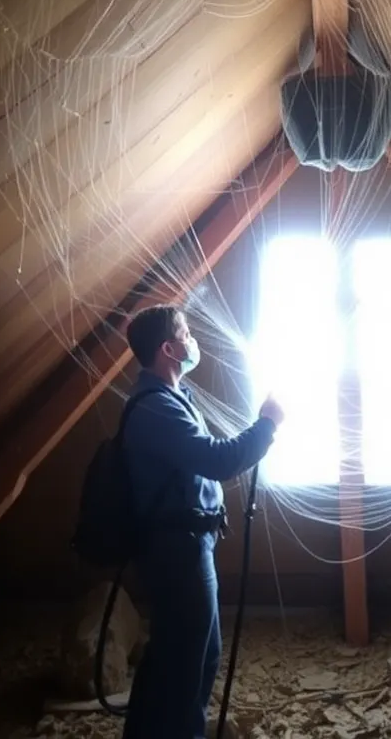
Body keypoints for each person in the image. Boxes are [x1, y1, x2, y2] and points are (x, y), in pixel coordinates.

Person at [119, 304, 284, 739]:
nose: (194, 342)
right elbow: (218, 459)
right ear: (170, 349)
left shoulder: (174, 400)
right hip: (176, 552)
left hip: (187, 546)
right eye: (187, 334)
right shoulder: (157, 408)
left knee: (180, 653)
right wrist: (267, 425)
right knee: (191, 658)